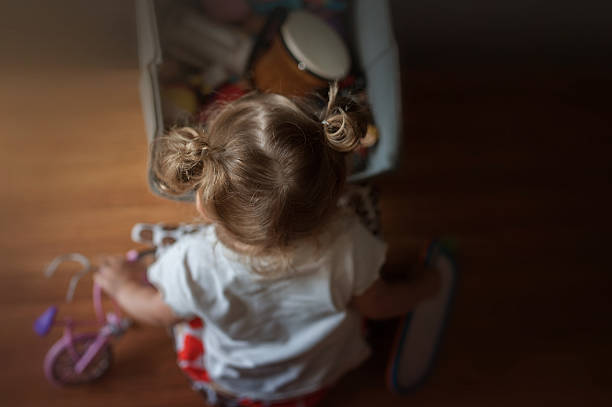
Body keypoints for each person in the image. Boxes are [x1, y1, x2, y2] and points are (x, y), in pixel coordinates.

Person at [94, 83, 440, 406]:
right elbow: (376, 305)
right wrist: (423, 287)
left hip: (237, 378)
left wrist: (122, 287)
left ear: (202, 201)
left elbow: (159, 312)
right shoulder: (351, 243)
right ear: (337, 189)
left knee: (191, 321)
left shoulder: (192, 261)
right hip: (317, 375)